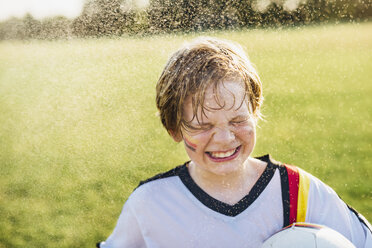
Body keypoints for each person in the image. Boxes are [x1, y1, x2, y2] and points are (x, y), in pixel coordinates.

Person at [97, 37, 371, 248]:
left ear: (255, 112)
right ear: (174, 129)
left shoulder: (298, 192)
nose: (225, 139)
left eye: (238, 121)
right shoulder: (151, 204)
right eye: (203, 126)